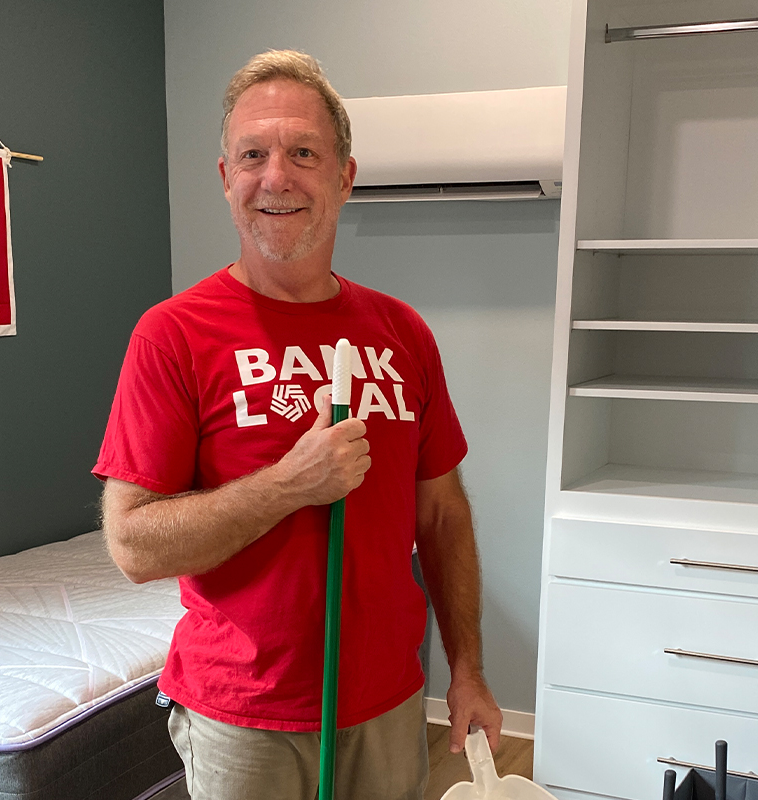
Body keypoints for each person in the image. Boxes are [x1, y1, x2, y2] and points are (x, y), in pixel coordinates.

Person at [94, 49, 501, 800]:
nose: (276, 177)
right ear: (226, 179)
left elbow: (442, 513)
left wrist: (467, 670)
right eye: (253, 154)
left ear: (345, 177)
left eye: (303, 153)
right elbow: (133, 547)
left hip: (387, 704)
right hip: (243, 717)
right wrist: (288, 485)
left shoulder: (402, 333)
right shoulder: (172, 335)